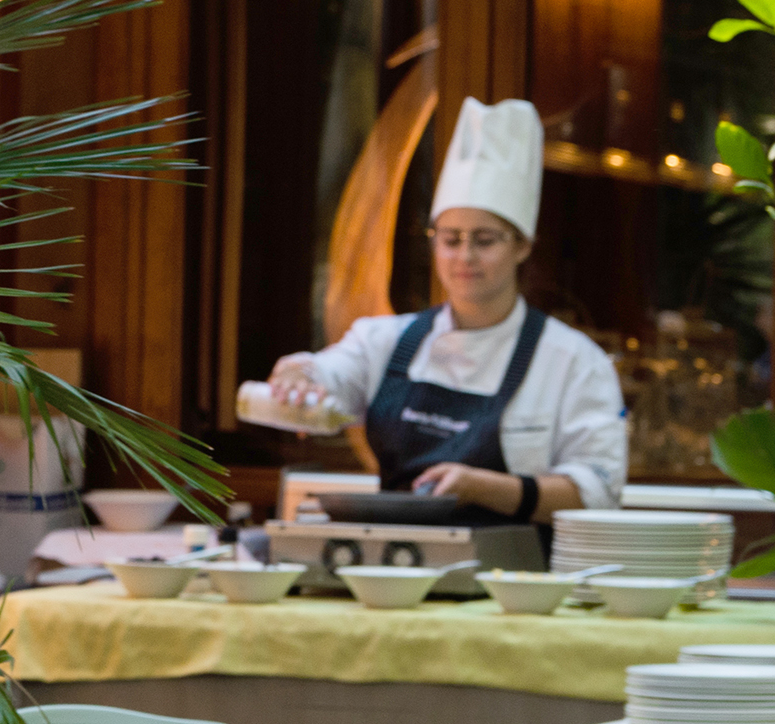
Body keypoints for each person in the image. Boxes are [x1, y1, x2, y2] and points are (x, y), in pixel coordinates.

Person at [267, 97, 630, 523]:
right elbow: (331, 378)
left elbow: (598, 491)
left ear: (523, 246)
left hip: (520, 582)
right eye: (450, 238)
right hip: (395, 574)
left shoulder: (572, 360)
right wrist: (302, 374)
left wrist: (484, 488)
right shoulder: (385, 342)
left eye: (485, 240)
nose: (464, 257)